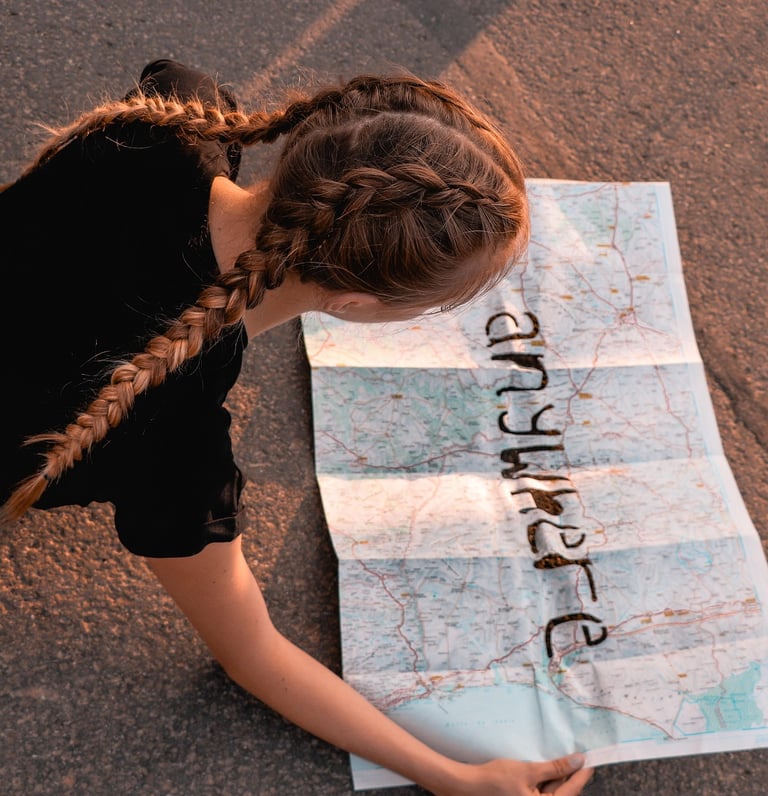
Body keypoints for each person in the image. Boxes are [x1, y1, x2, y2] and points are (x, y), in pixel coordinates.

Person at [0, 59, 592, 795]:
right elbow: (252, 654)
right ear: (353, 306)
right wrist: (452, 776)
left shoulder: (165, 122)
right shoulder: (173, 441)